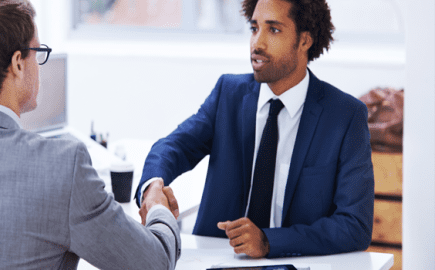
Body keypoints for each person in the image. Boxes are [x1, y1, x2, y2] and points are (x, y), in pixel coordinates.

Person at [0, 0, 180, 269]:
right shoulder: (63, 168)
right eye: (38, 52)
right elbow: (153, 262)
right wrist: (157, 209)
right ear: (18, 63)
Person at [136, 0, 374, 259]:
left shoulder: (345, 116)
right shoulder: (228, 94)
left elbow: (355, 226)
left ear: (305, 40)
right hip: (217, 259)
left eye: (273, 30)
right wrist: (152, 187)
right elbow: (175, 146)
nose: (256, 43)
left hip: (293, 262)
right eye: (254, 28)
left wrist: (269, 242)